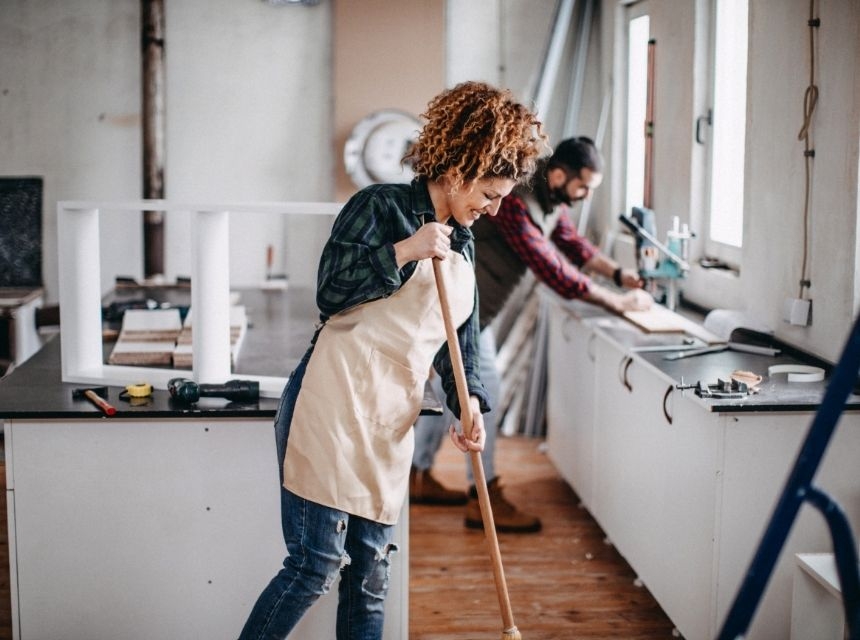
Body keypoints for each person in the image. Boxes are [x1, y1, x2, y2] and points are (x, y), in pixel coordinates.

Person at [237, 81, 547, 640]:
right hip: (331, 402)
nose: (495, 209)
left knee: (371, 572)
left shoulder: (466, 244)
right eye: (490, 193)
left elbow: (462, 345)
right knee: (315, 566)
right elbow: (331, 291)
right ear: (458, 174)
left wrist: (469, 403)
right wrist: (405, 250)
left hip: (388, 419)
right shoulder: (378, 207)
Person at [410, 136, 653, 533]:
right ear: (558, 175)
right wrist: (619, 303)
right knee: (483, 395)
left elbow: (572, 244)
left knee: (450, 393)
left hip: (474, 312)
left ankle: (418, 476)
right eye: (583, 186)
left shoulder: (550, 202)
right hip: (460, 310)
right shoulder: (516, 201)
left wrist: (620, 275)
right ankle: (482, 498)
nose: (585, 194)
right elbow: (549, 266)